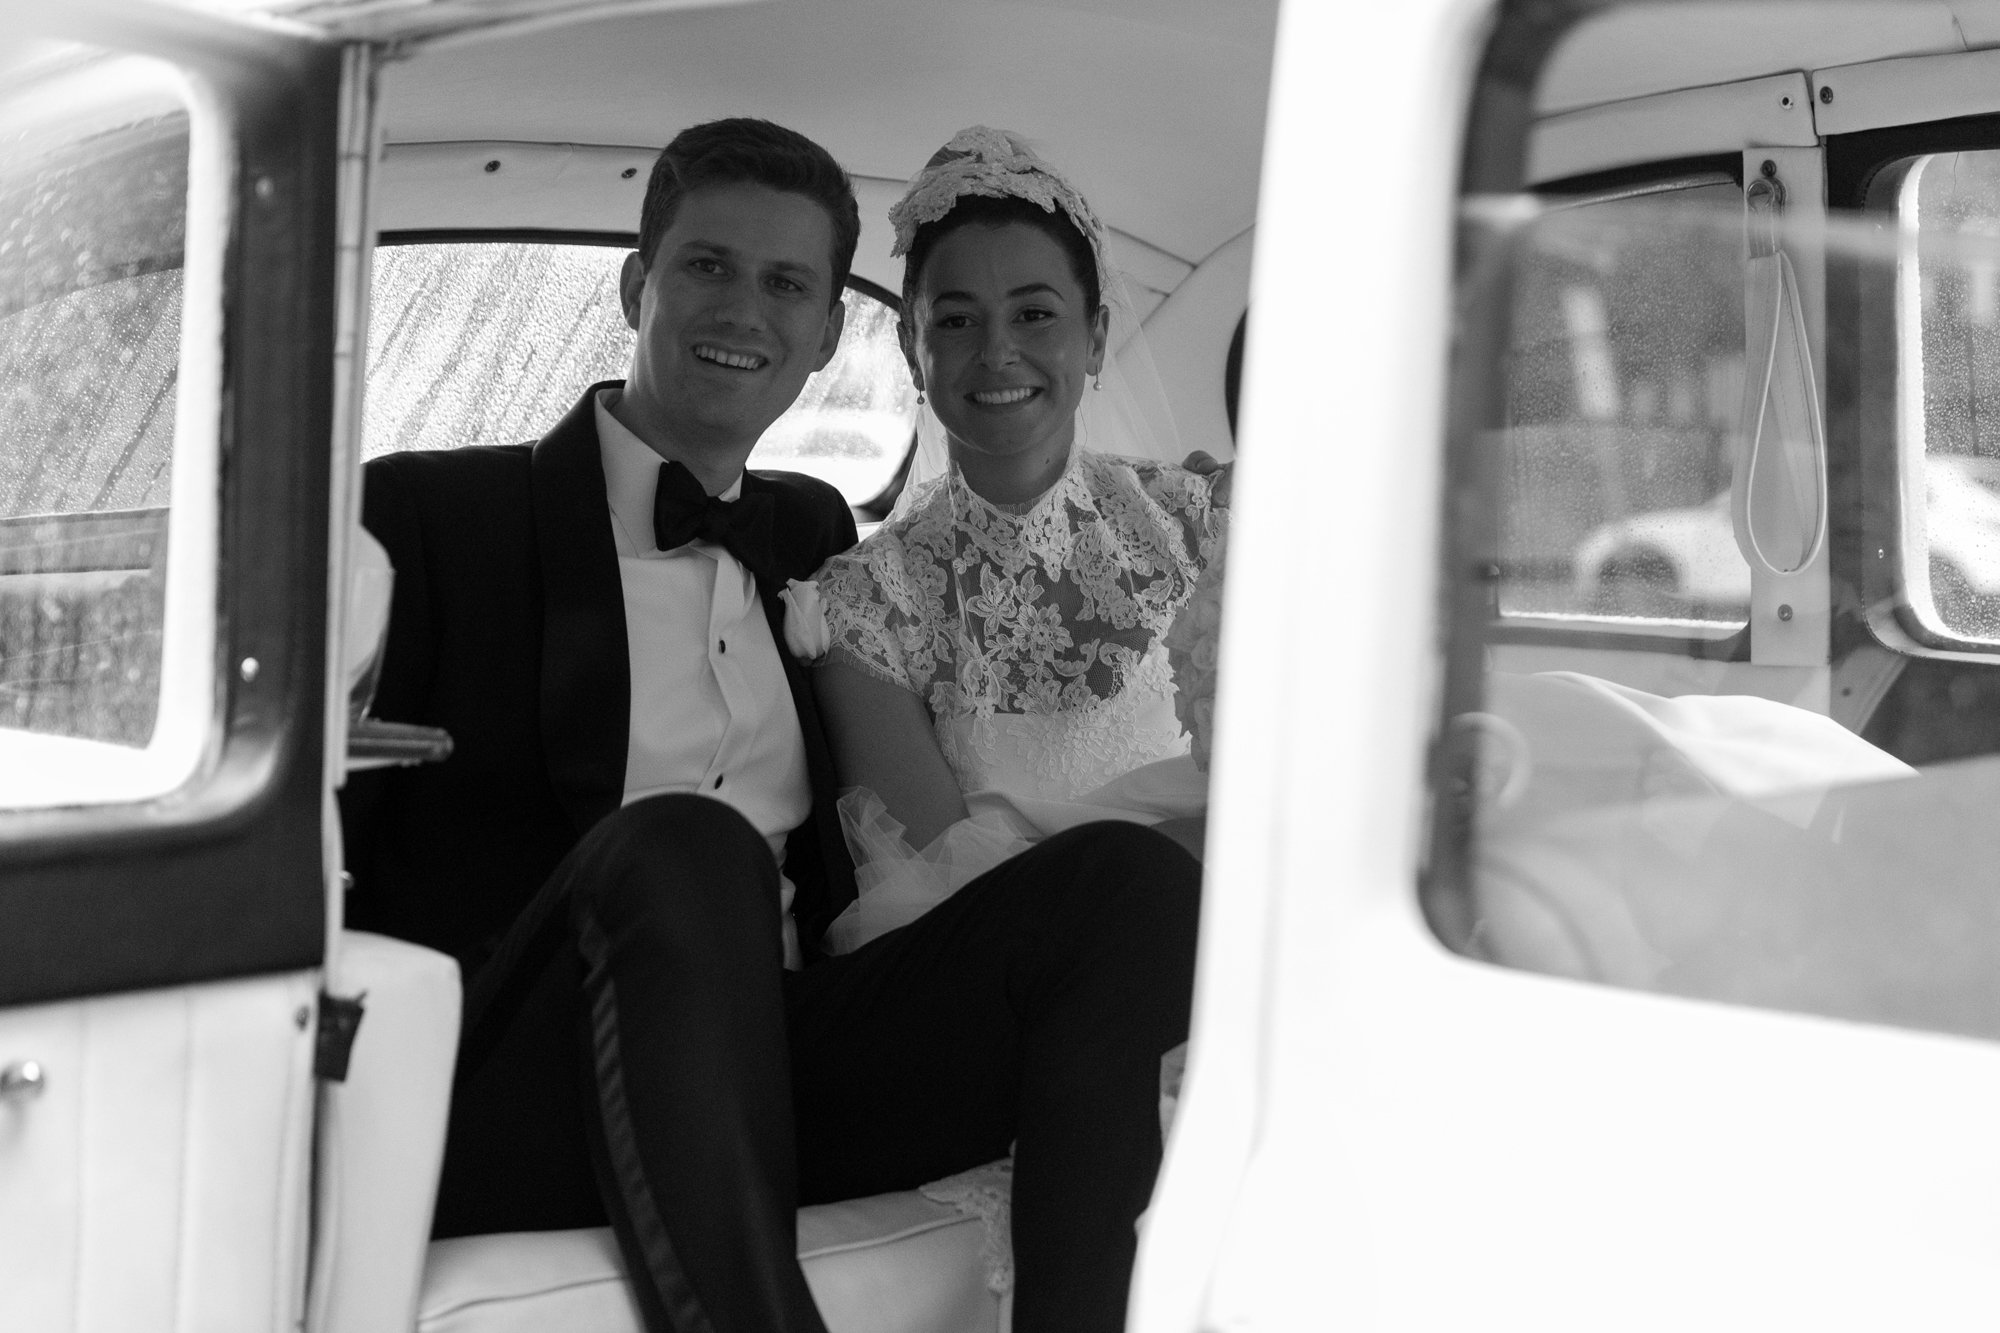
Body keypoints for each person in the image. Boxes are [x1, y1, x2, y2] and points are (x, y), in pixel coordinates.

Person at [340, 116, 1200, 1333]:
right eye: (708, 267)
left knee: (1121, 884)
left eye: (787, 283)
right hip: (527, 1067)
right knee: (688, 845)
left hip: (785, 1054)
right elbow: (313, 825)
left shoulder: (813, 544)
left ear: (821, 335)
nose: (744, 310)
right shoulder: (426, 516)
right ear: (639, 285)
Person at [809, 127, 1229, 951]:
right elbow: (950, 909)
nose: (998, 352)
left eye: (1035, 314)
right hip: (1031, 989)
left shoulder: (1200, 521)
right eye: (957, 320)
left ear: (1097, 335)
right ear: (912, 346)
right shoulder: (864, 606)